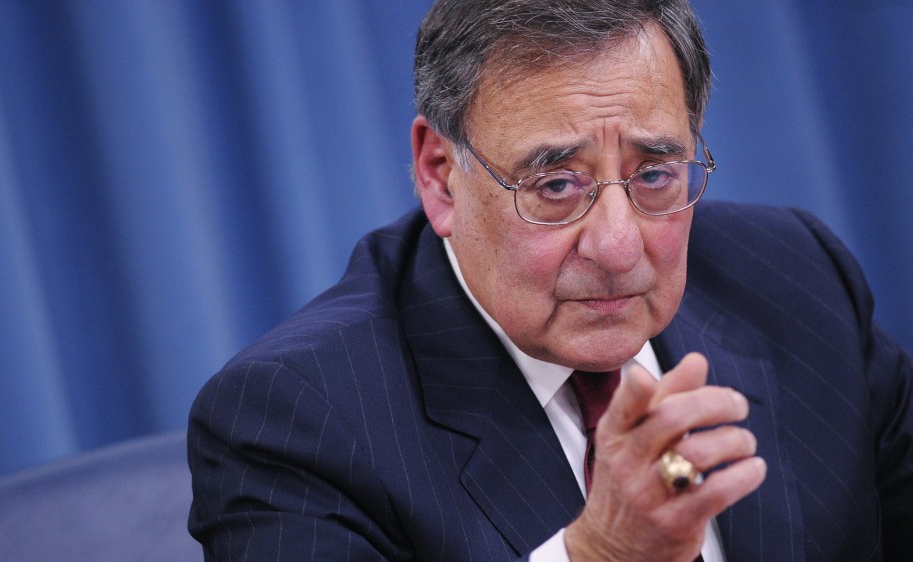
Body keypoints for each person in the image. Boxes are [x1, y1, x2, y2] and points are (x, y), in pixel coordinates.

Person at [187, 0, 913, 560]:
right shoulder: (297, 420)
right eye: (557, 185)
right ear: (440, 176)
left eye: (656, 175)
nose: (619, 245)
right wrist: (600, 553)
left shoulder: (798, 280)